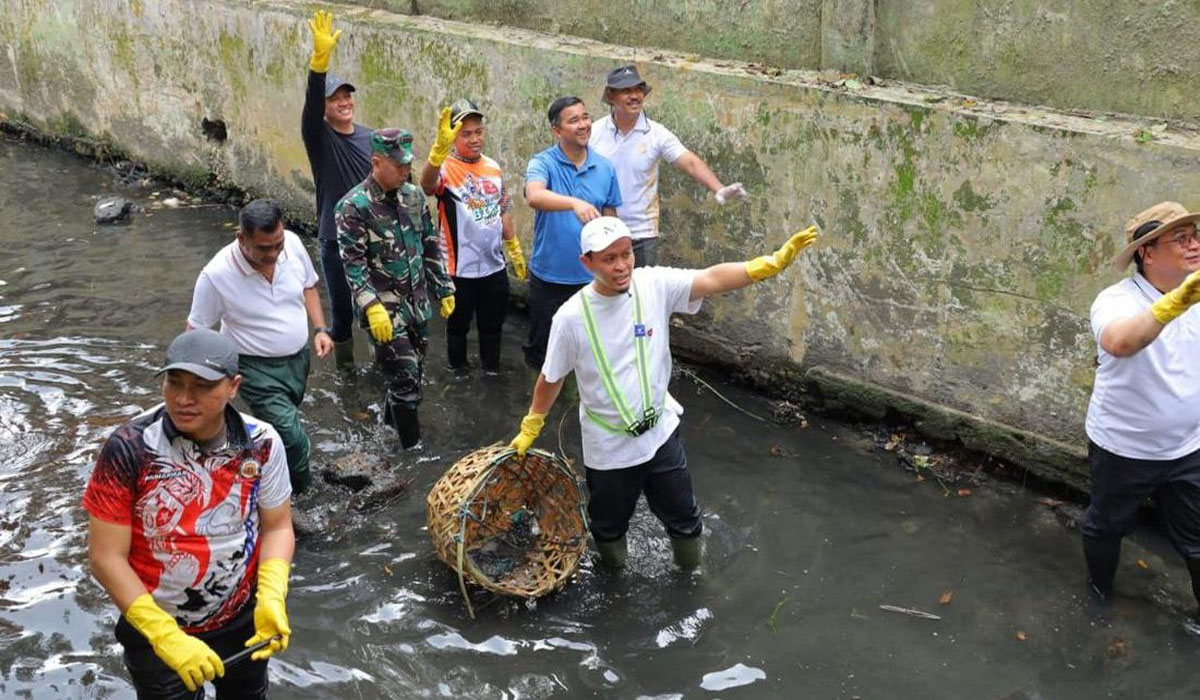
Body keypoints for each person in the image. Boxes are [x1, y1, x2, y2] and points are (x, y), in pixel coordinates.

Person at [509, 216, 818, 569]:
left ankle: (692, 577)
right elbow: (551, 377)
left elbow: (712, 278)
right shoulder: (571, 318)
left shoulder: (653, 284)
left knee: (685, 517)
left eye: (626, 254)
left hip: (660, 432)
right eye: (609, 259)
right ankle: (614, 578)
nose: (621, 266)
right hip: (609, 447)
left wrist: (767, 265)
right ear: (587, 263)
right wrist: (532, 424)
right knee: (608, 526)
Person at [84, 329, 294, 698]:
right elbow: (105, 556)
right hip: (154, 625)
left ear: (233, 386)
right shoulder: (130, 447)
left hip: (240, 619)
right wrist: (164, 635)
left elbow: (277, 526)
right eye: (174, 382)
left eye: (202, 386)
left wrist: (273, 593)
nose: (183, 399)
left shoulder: (262, 443)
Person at [1083, 200, 1200, 628]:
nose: (1194, 245)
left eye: (1196, 236)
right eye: (1181, 239)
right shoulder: (1115, 300)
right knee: (1106, 526)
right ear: (1147, 253)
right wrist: (1174, 304)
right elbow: (1119, 342)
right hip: (1124, 447)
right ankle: (1098, 599)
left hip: (1189, 446)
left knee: (1197, 539)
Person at [186, 198, 331, 494]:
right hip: (253, 368)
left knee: (279, 430)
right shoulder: (216, 275)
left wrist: (320, 329)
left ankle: (258, 475)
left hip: (298, 360)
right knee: (293, 436)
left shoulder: (292, 244)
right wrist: (194, 386)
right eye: (264, 248)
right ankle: (300, 496)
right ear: (241, 238)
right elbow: (195, 331)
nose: (274, 254)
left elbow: (308, 286)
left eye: (277, 245)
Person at [336, 128, 456, 449]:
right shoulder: (354, 207)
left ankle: (389, 433)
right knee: (405, 380)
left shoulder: (413, 197)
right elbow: (353, 263)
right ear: (377, 162)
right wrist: (371, 305)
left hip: (417, 305)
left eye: (407, 164)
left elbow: (429, 243)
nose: (405, 170)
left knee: (412, 377)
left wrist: (443, 288)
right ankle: (413, 454)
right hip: (384, 313)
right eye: (398, 165)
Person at [590, 65, 748, 268]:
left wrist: (719, 188)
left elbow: (690, 162)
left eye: (638, 90)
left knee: (642, 287)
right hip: (601, 228)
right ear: (611, 96)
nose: (635, 96)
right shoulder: (593, 132)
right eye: (626, 91)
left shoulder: (657, 134)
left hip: (641, 233)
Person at [419, 98, 527, 374]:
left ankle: (491, 372)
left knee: (493, 326)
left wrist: (513, 247)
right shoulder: (445, 168)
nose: (475, 139)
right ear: (453, 137)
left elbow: (503, 207)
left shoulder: (493, 167)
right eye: (466, 134)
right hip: (458, 269)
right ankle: (458, 375)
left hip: (493, 265)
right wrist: (437, 153)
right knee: (458, 327)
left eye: (478, 132)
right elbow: (427, 186)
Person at [523, 96, 622, 372]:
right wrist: (574, 203)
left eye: (585, 117)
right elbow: (534, 195)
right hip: (549, 278)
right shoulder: (543, 163)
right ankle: (537, 399)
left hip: (591, 280)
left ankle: (578, 397)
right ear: (557, 130)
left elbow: (611, 221)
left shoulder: (604, 167)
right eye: (574, 120)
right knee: (543, 354)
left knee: (590, 352)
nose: (584, 125)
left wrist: (613, 267)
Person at [302, 9, 373, 371]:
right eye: (335, 99)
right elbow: (311, 106)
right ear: (325, 108)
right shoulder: (320, 138)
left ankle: (381, 371)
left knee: (375, 310)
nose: (344, 102)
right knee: (342, 315)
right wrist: (319, 66)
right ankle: (346, 376)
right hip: (336, 239)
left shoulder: (371, 138)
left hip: (373, 237)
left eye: (347, 96)